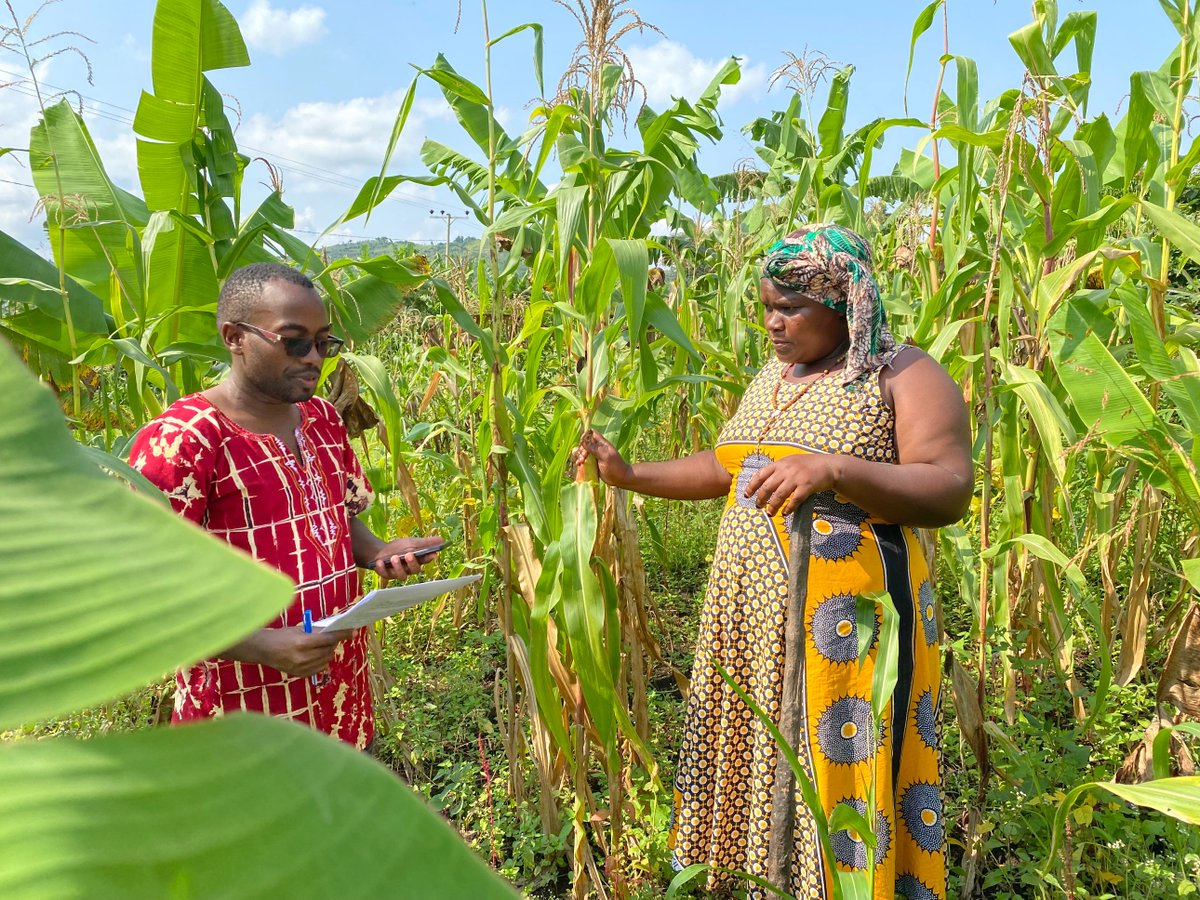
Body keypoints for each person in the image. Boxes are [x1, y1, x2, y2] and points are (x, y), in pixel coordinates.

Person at [576, 224, 971, 899]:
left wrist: (836, 469)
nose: (774, 324)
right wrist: (630, 473)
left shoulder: (901, 373)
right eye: (766, 308)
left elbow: (948, 486)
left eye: (790, 309)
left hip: (848, 628)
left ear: (845, 301)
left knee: (843, 765)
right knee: (766, 759)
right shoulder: (774, 375)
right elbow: (727, 466)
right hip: (751, 625)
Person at [130, 262, 440, 751]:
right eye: (294, 342)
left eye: (324, 343)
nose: (314, 358)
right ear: (234, 337)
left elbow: (336, 516)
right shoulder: (183, 441)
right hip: (242, 721)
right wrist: (261, 646)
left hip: (339, 700)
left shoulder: (320, 419)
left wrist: (380, 551)